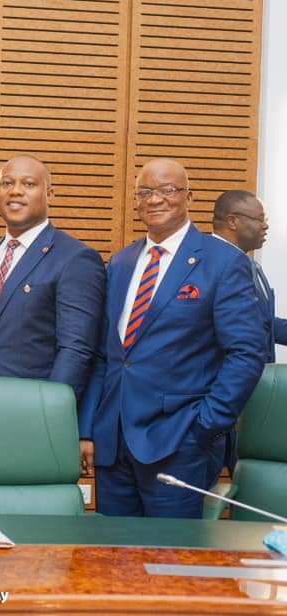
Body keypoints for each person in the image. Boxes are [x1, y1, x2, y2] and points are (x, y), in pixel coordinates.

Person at [81, 159, 265, 518]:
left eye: (167, 190)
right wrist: (89, 429)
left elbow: (247, 352)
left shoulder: (222, 262)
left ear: (188, 197)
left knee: (170, 550)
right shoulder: (120, 263)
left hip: (179, 442)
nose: (155, 199)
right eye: (145, 192)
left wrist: (205, 425)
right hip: (113, 443)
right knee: (112, 549)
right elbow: (106, 355)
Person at [0, 155, 105, 474]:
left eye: (28, 184)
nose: (16, 191)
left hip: (32, 420)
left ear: (50, 194)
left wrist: (47, 415)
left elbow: (76, 350)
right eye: (7, 183)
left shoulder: (75, 258)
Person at [212, 190, 285, 363]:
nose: (265, 226)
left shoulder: (246, 263)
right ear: (232, 221)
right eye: (260, 219)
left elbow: (263, 322)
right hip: (226, 374)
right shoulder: (211, 262)